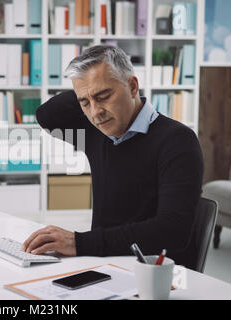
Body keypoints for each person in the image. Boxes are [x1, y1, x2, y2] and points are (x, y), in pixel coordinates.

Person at [22, 45, 204, 266]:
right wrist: (87, 86)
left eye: (104, 96)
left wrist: (80, 243)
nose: (96, 113)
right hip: (103, 264)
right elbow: (46, 116)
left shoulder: (178, 140)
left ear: (133, 86)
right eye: (85, 104)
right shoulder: (98, 131)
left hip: (157, 275)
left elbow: (174, 230)